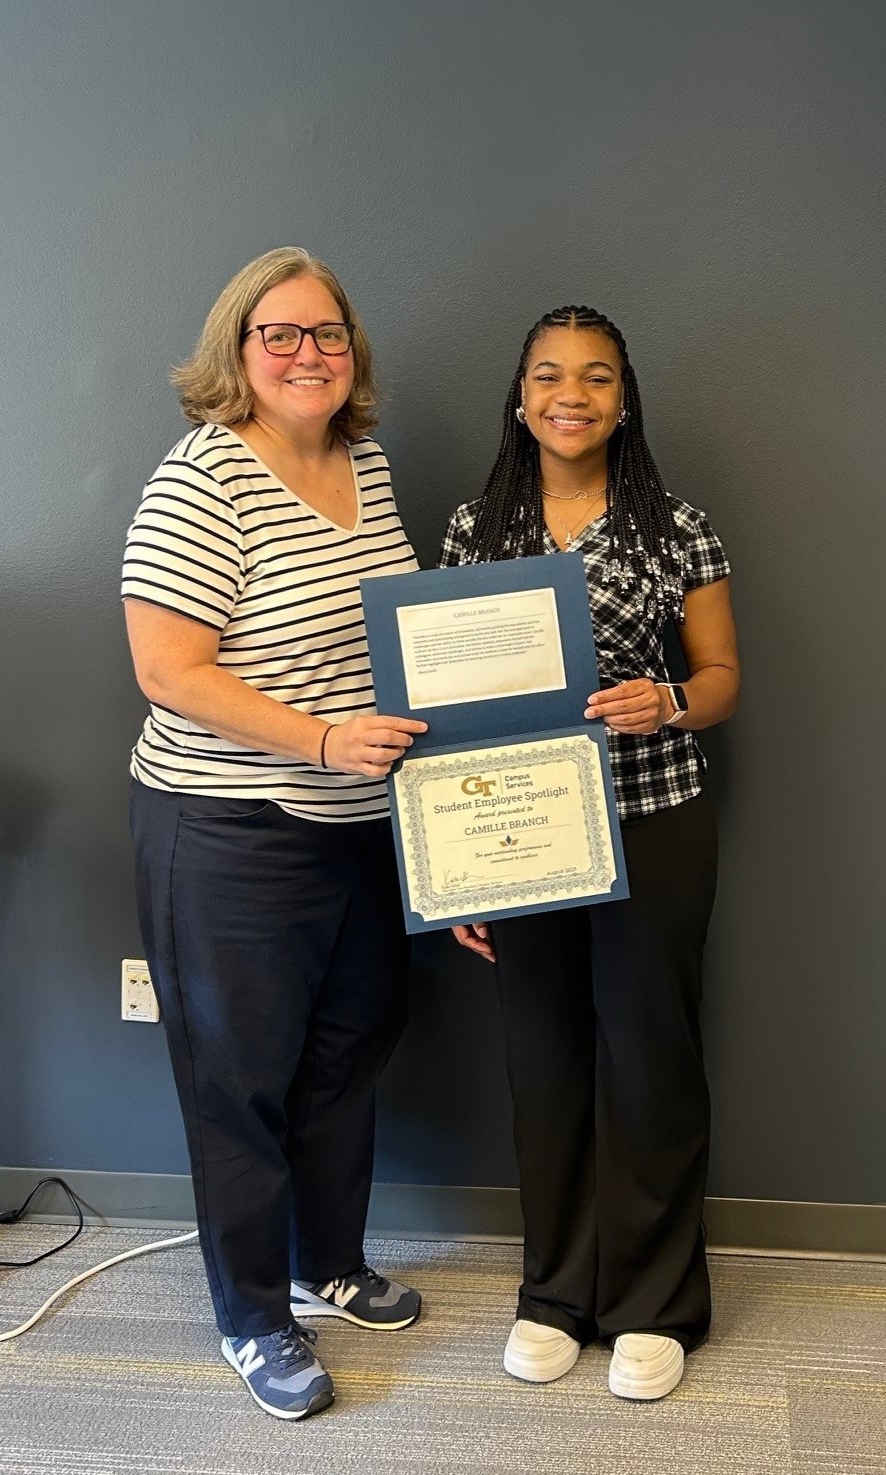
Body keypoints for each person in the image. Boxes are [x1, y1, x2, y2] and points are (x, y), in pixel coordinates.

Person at [122, 247, 427, 1421]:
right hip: (229, 825)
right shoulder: (204, 478)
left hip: (355, 819)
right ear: (236, 353)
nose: (309, 354)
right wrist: (314, 739)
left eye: (329, 334)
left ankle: (324, 1259)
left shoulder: (366, 458)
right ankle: (254, 1315)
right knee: (239, 1081)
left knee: (352, 1049)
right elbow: (166, 668)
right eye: (281, 334)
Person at [439, 304, 739, 1401]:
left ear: (625, 400)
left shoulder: (680, 527)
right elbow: (449, 710)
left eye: (599, 377)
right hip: (521, 830)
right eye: (551, 375)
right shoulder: (475, 529)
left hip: (653, 818)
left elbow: (720, 680)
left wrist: (666, 699)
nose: (573, 393)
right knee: (543, 1060)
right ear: (520, 397)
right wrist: (453, 867)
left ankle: (657, 1301)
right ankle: (555, 1292)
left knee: (653, 1058)